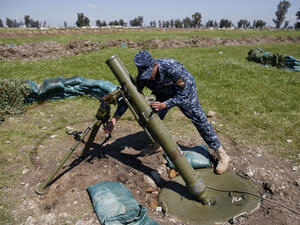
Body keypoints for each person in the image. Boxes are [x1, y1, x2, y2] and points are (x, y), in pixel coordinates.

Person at [104, 50, 230, 174]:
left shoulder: (173, 69)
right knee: (150, 119)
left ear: (155, 65)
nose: (148, 78)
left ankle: (221, 154)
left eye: (150, 74)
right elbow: (130, 97)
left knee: (200, 120)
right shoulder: (144, 76)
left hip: (185, 92)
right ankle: (157, 144)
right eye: (145, 75)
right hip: (163, 93)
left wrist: (165, 104)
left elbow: (184, 95)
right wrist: (114, 119)